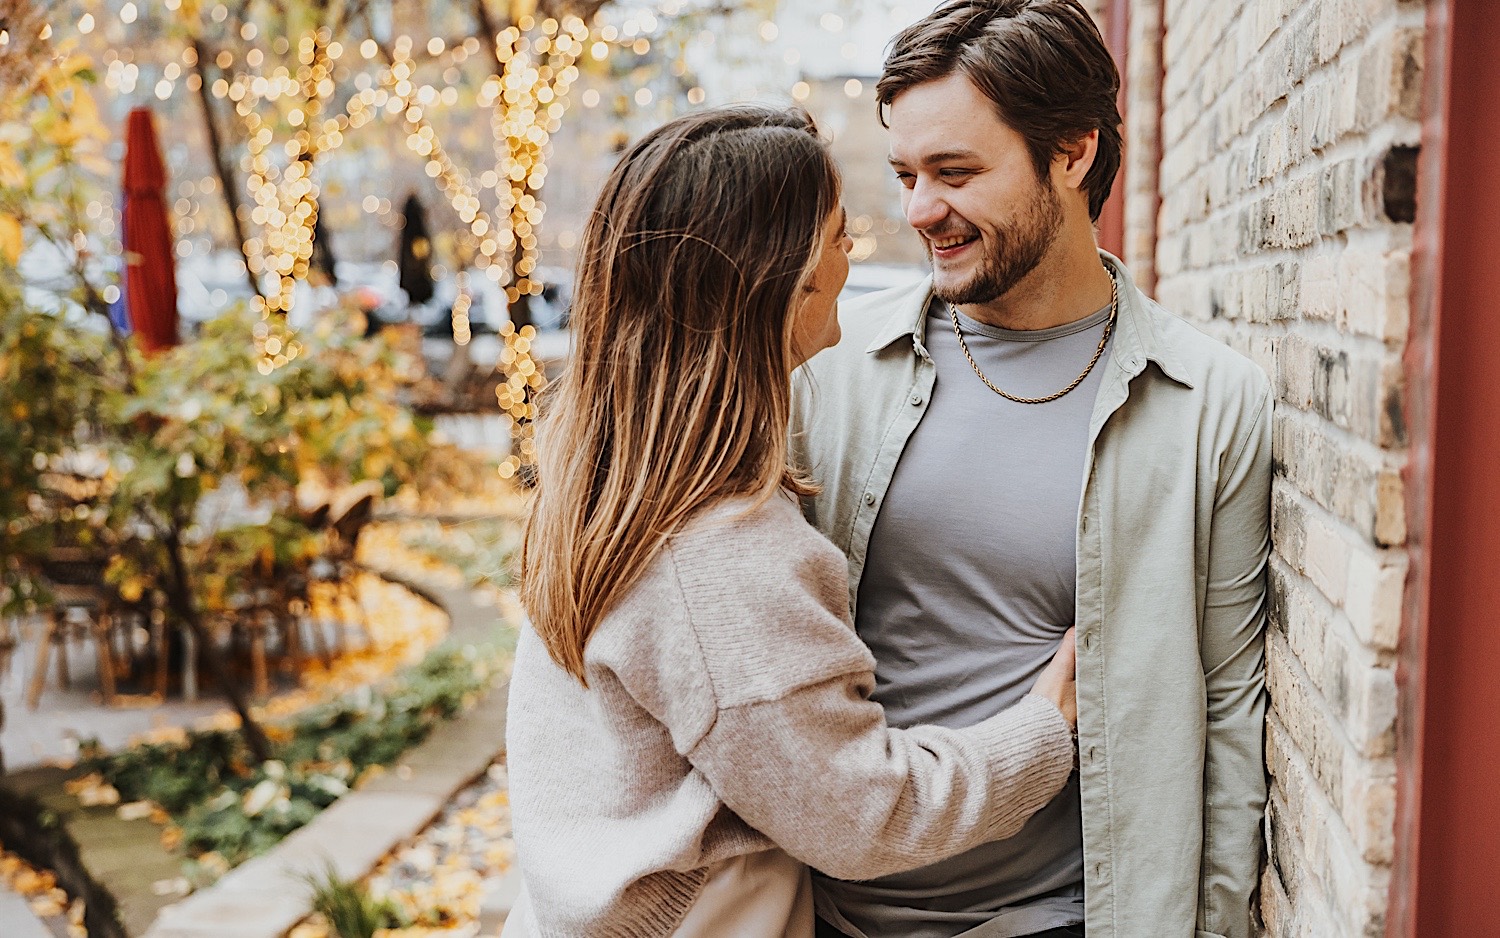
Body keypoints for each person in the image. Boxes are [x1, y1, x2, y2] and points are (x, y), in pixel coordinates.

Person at [502, 104, 1082, 937]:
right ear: (774, 278)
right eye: (839, 236)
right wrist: (1044, 727)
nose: (857, 253)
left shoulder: (611, 483)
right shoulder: (717, 558)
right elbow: (863, 812)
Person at [791, 3, 1273, 938]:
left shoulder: (1209, 401)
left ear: (1074, 150)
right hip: (818, 912)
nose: (921, 210)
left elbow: (1225, 712)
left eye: (957, 173)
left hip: (1053, 920)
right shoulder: (833, 374)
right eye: (906, 175)